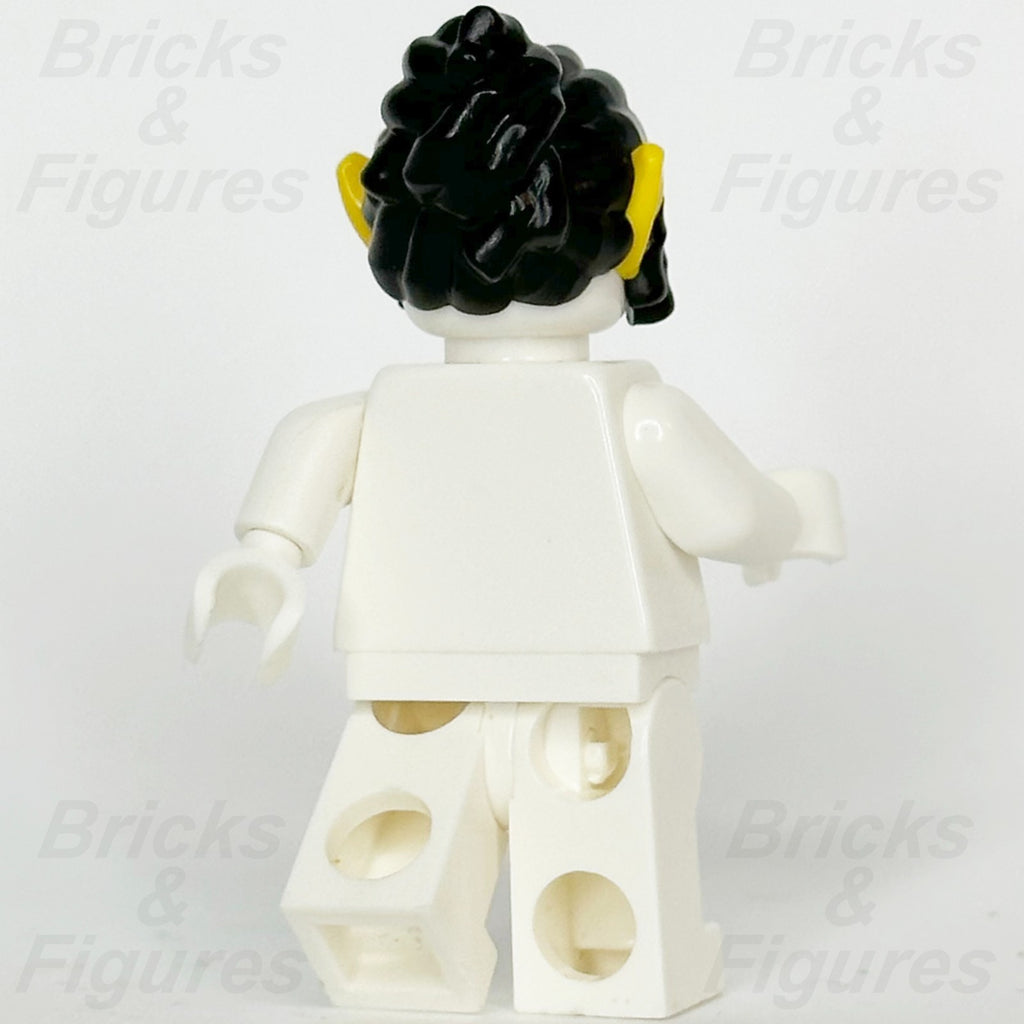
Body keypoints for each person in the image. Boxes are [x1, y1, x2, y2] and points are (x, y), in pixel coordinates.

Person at [188, 6, 844, 1016]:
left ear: (373, 226)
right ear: (636, 216)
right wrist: (788, 523)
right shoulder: (636, 413)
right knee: (602, 858)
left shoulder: (385, 409)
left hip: (417, 692)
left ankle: (405, 966)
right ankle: (599, 970)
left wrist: (268, 555)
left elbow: (303, 463)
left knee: (385, 861)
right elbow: (724, 517)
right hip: (594, 692)